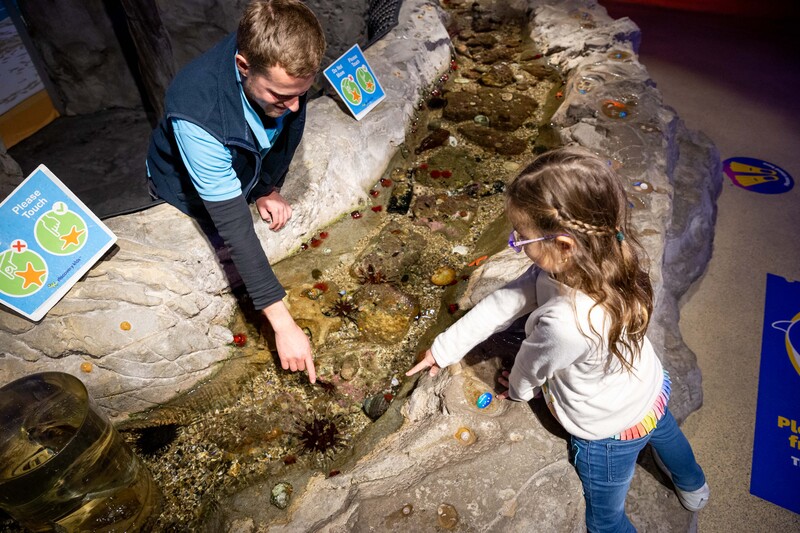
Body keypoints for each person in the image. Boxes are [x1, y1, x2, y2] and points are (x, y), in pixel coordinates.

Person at [406, 147, 709, 532]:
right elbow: (511, 298)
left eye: (521, 237)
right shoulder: (610, 253)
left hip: (609, 432)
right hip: (651, 390)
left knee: (605, 520)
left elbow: (530, 369)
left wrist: (517, 391)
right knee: (669, 439)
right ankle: (695, 485)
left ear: (564, 246)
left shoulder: (566, 322)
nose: (516, 242)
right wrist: (444, 347)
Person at [147, 0, 326, 383]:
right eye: (280, 96)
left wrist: (265, 188)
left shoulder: (283, 63)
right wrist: (283, 325)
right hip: (181, 188)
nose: (295, 106)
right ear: (244, 66)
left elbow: (284, 135)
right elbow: (235, 229)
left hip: (242, 160)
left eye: (301, 93)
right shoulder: (197, 113)